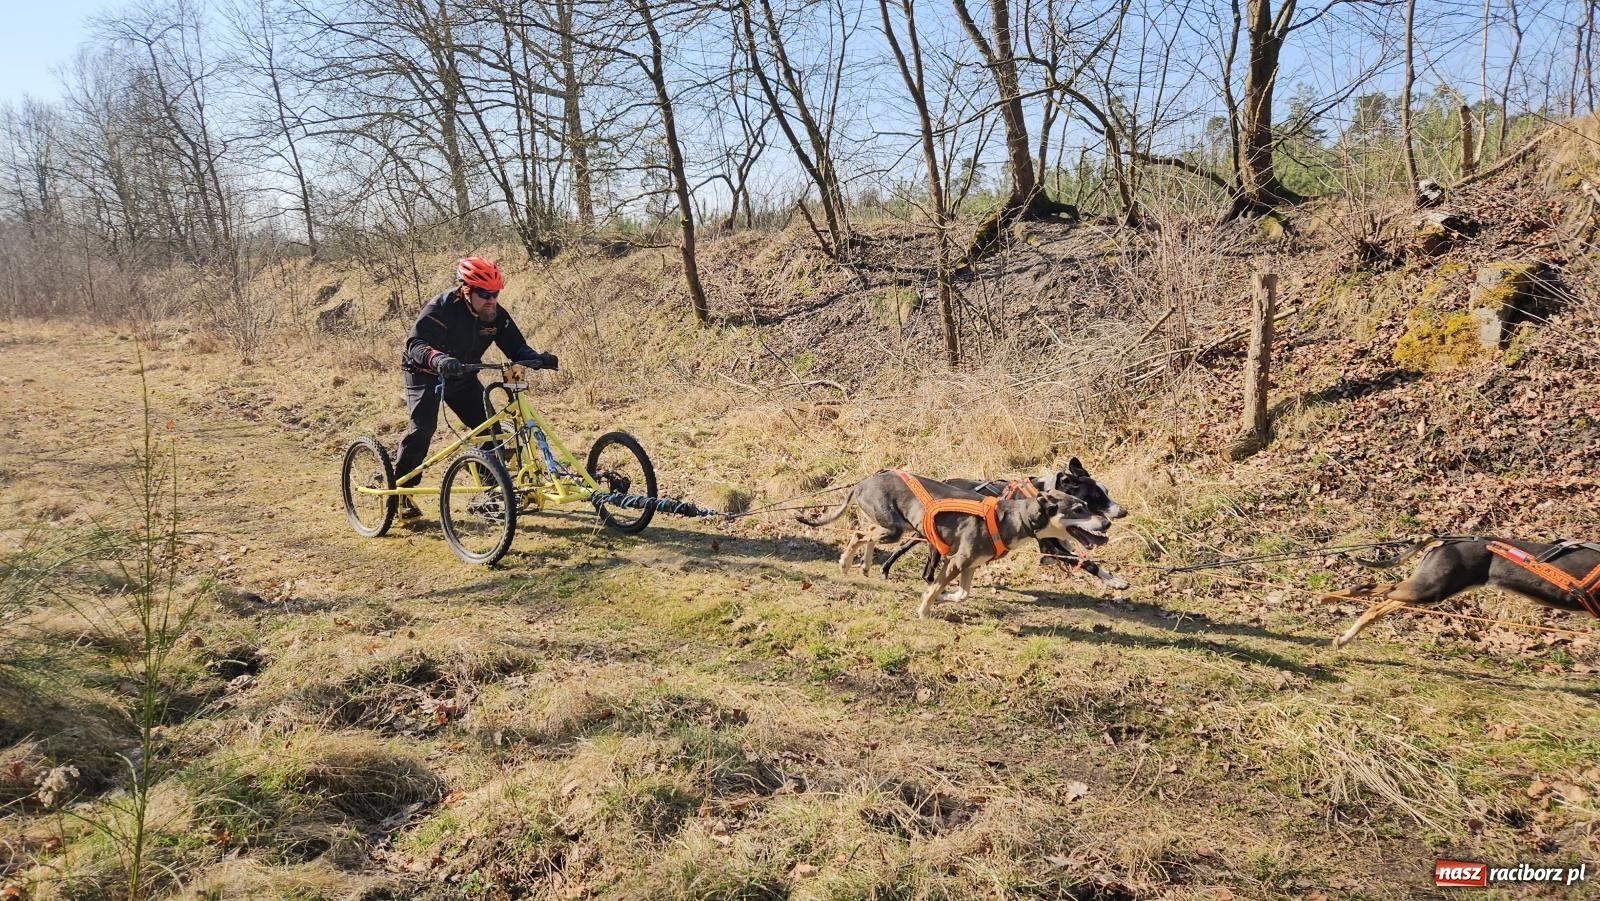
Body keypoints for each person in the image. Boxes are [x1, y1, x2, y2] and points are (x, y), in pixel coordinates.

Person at [394, 256, 558, 518]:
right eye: (484, 294)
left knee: (489, 430)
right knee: (423, 429)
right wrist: (438, 359)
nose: (491, 300)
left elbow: (516, 346)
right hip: (425, 373)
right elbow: (416, 344)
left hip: (463, 373)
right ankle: (402, 493)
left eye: (495, 293)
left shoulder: (494, 315)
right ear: (466, 291)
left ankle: (488, 495)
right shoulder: (441, 308)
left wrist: (538, 358)